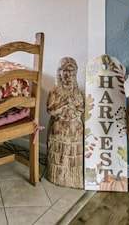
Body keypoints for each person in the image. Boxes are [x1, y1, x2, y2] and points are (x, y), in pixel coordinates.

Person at [46, 57, 84, 188]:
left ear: (75, 72)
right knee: (59, 155)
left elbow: (80, 108)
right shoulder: (55, 92)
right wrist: (63, 108)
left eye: (70, 70)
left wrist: (71, 113)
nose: (67, 74)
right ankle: (57, 176)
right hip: (59, 127)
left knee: (71, 155)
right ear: (59, 72)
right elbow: (51, 110)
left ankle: (73, 179)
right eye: (63, 70)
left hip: (73, 128)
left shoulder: (77, 92)